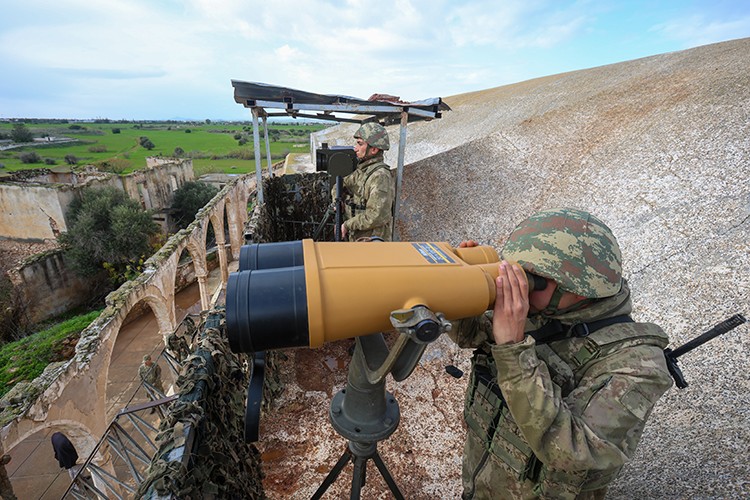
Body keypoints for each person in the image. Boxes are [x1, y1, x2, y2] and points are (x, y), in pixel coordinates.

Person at [448, 208, 673, 499]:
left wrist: (513, 351)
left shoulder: (638, 367)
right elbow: (471, 334)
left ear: (578, 289)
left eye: (532, 277)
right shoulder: (547, 309)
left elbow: (572, 450)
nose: (517, 282)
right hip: (485, 484)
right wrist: (457, 289)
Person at [336, 122, 395, 241]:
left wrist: (347, 225)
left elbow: (376, 216)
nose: (355, 148)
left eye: (360, 144)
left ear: (373, 149)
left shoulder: (380, 176)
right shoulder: (362, 171)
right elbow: (339, 185)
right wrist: (337, 203)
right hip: (359, 238)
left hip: (373, 243)